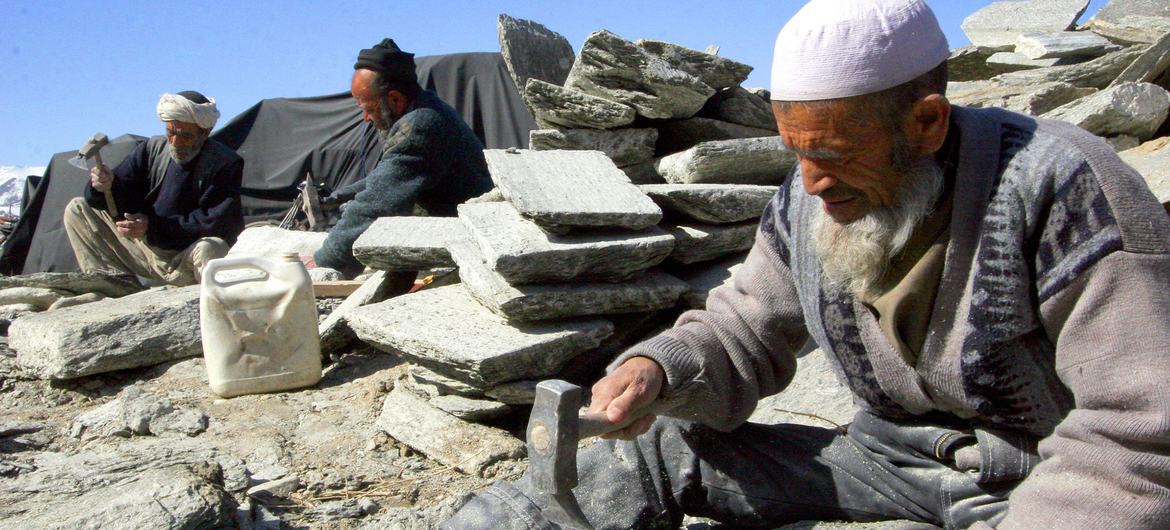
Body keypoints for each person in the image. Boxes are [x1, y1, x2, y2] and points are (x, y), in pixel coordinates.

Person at [444, 1, 1170, 528]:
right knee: (660, 446)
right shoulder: (810, 197)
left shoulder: (1065, 186)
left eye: (829, 154)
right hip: (891, 463)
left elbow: (1141, 433)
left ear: (926, 122)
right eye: (796, 153)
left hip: (1040, 480)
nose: (811, 183)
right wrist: (658, 368)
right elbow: (745, 327)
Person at [310, 38, 493, 282]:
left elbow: (378, 202)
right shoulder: (421, 109)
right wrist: (341, 196)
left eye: (368, 108)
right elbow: (383, 178)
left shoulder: (421, 125)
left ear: (395, 99)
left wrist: (326, 260)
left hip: (469, 240)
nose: (365, 117)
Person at [64, 91, 244, 287]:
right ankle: (112, 285)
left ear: (205, 132)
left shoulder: (224, 163)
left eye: (185, 135)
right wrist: (102, 186)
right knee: (78, 208)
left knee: (212, 248)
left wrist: (152, 226)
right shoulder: (151, 149)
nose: (175, 142)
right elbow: (120, 196)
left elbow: (214, 222)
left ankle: (212, 303)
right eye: (171, 133)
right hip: (143, 248)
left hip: (184, 258)